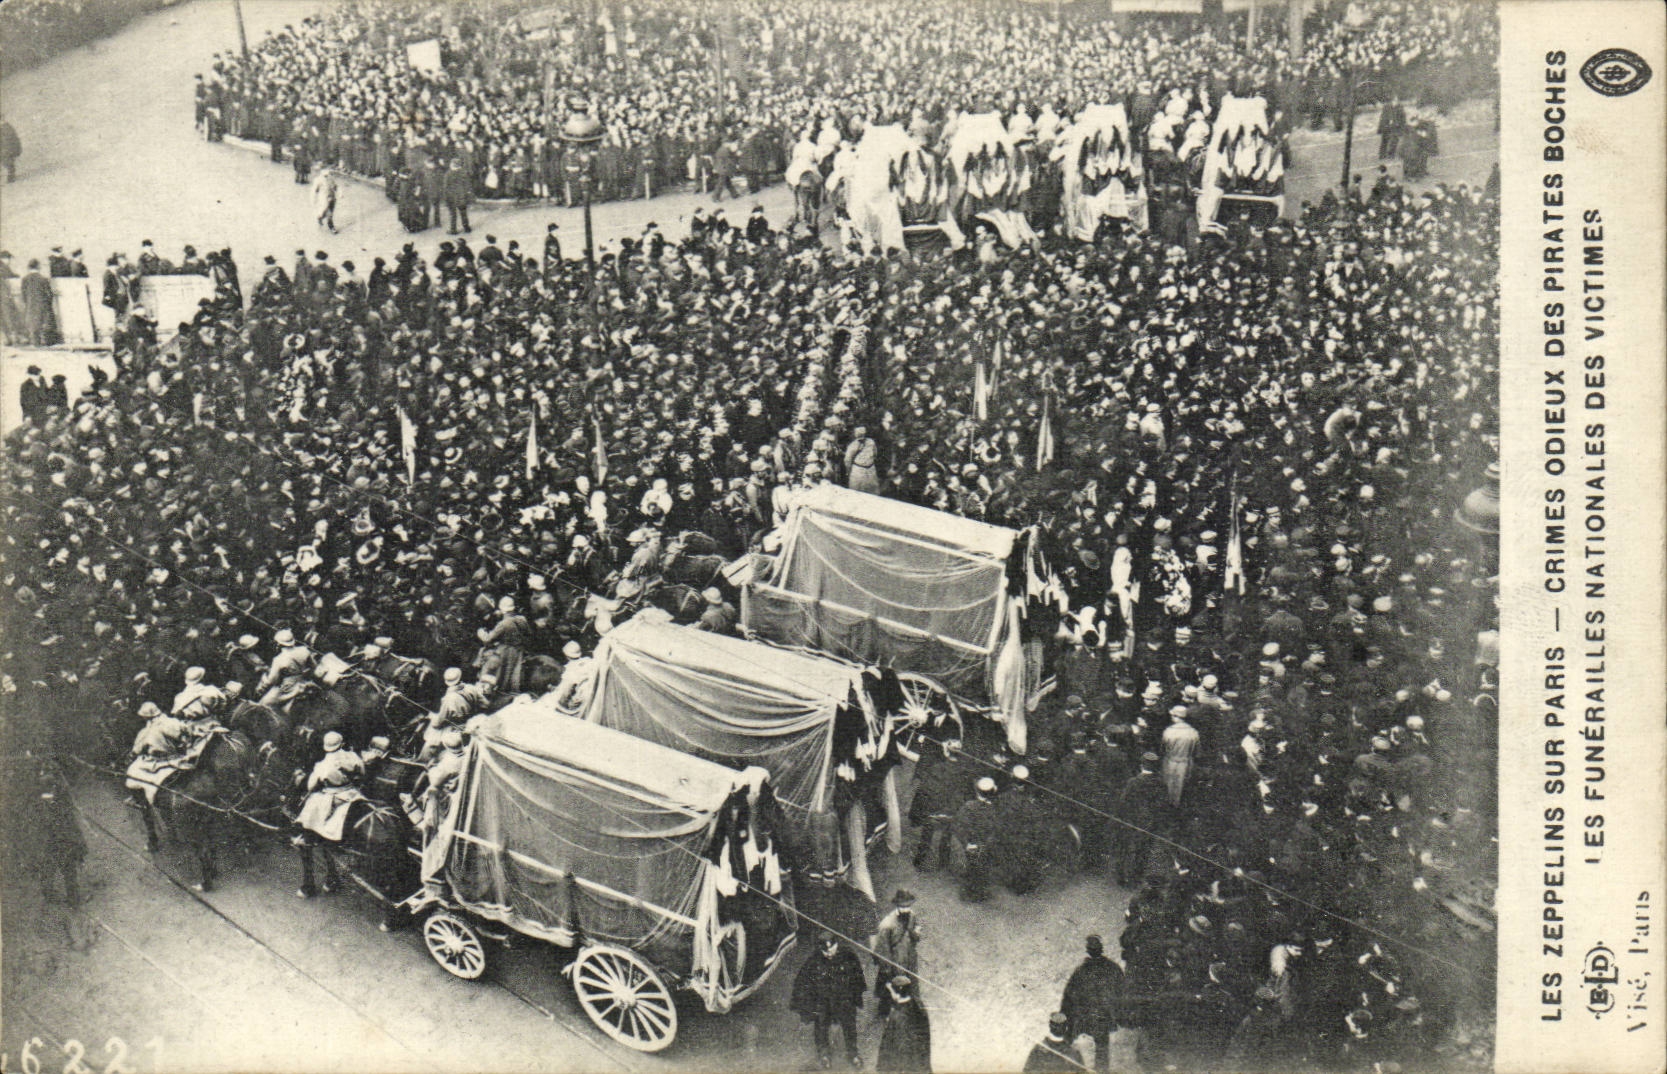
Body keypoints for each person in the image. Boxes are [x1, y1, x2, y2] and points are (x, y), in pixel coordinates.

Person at [790, 930, 869, 1070]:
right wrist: (809, 1005)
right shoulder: (814, 960)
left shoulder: (848, 956)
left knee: (849, 1027)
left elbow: (857, 977)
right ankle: (824, 1054)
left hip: (844, 1000)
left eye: (831, 949)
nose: (828, 953)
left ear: (836, 944)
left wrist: (855, 997)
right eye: (825, 951)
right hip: (824, 1002)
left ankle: (853, 1054)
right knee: (821, 1027)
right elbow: (802, 982)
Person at [1059, 935, 1124, 1073]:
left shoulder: (1080, 971)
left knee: (1080, 1042)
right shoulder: (1113, 968)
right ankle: (1101, 1070)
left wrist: (1065, 1014)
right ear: (1101, 949)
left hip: (1086, 1016)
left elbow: (1069, 996)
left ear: (1087, 950)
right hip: (1103, 1017)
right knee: (1102, 1046)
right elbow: (1123, 991)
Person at [296, 731, 366, 845]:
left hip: (336, 797)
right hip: (354, 793)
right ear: (341, 743)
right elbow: (362, 772)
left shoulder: (322, 765)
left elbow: (310, 786)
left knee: (311, 804)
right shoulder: (352, 756)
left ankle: (308, 838)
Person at [871, 888, 922, 1016]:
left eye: (908, 906)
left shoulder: (912, 915)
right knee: (892, 986)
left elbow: (915, 932)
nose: (906, 910)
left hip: (909, 957)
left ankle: (910, 1007)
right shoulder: (887, 925)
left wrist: (916, 932)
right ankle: (885, 1011)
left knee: (910, 984)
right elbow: (883, 949)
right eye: (902, 906)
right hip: (894, 961)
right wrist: (887, 968)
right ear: (897, 906)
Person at [875, 976, 931, 1073]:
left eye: (892, 991)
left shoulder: (897, 1017)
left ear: (898, 994)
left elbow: (896, 1048)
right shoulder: (918, 1006)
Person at [19, 259, 59, 345]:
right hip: (42, 305)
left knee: (33, 324)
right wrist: (48, 304)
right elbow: (49, 294)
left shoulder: (25, 279)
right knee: (44, 323)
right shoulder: (43, 279)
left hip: (30, 306)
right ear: (39, 267)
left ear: (29, 267)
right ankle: (45, 341)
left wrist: (27, 303)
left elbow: (23, 294)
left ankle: (35, 342)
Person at [844, 426, 881, 494]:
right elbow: (847, 460)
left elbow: (875, 453)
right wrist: (849, 471)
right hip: (858, 469)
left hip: (870, 469)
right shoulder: (853, 445)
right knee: (856, 491)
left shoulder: (871, 442)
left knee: (872, 491)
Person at [313, 167, 339, 233]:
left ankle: (320, 217)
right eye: (325, 173)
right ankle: (331, 227)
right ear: (321, 172)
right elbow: (315, 190)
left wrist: (340, 192)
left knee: (329, 212)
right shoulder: (318, 180)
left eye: (327, 173)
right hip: (324, 199)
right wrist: (315, 198)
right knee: (328, 212)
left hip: (332, 197)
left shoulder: (331, 178)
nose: (327, 175)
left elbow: (335, 186)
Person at [1, 118, 20, 182]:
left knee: (6, 159)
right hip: (6, 148)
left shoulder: (5, 127)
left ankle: (11, 173)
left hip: (7, 149)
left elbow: (11, 139)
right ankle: (10, 172)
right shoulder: (6, 127)